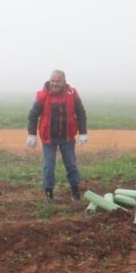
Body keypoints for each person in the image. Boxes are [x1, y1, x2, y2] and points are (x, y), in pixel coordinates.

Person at [27, 70, 88, 203]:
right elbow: (33, 115)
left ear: (64, 82)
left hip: (67, 137)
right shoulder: (43, 95)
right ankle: (49, 196)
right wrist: (31, 134)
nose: (54, 84)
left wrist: (83, 132)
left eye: (58, 81)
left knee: (71, 165)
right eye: (52, 81)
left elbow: (81, 113)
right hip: (48, 138)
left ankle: (76, 193)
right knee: (48, 167)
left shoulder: (72, 93)